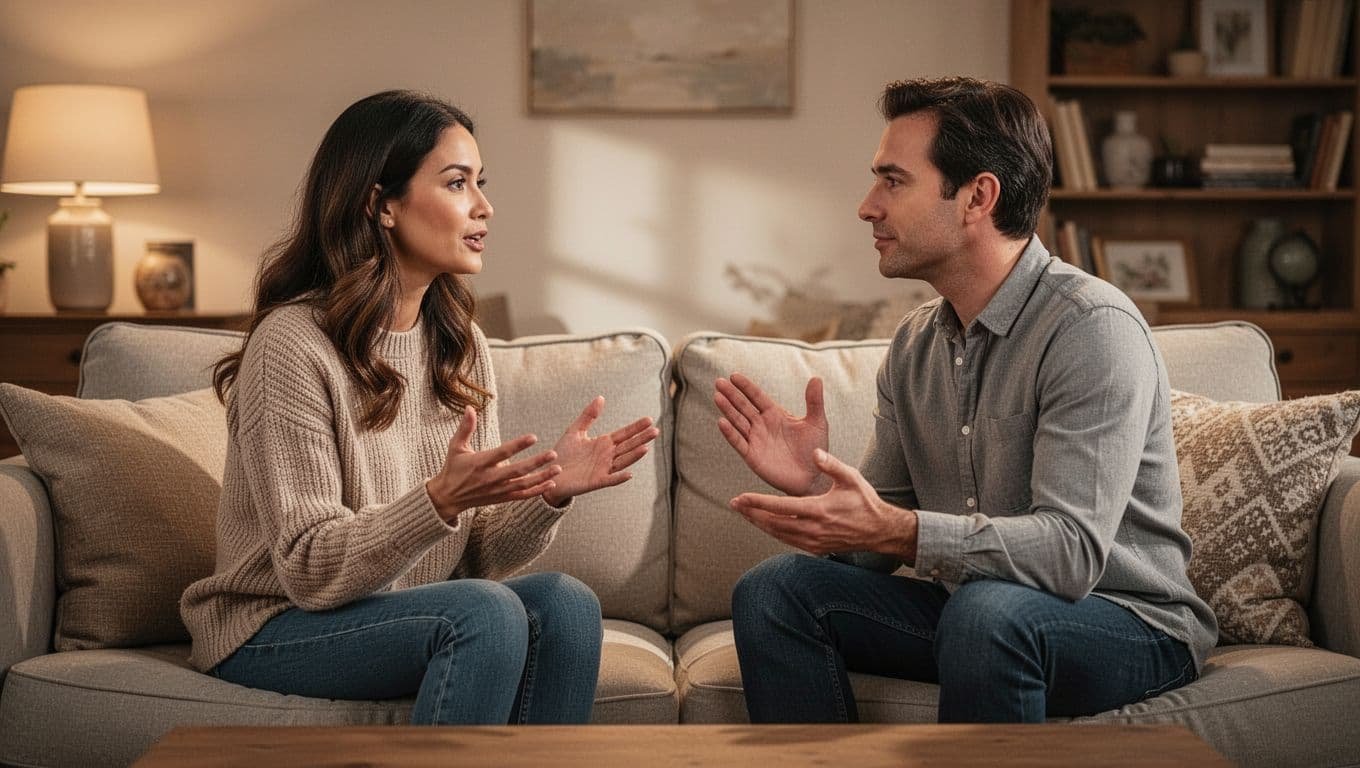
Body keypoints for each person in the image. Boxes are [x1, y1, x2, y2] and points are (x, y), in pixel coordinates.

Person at [715, 77, 1217, 724]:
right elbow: (872, 546)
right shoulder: (914, 345)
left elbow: (1070, 555)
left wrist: (902, 532)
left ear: (978, 197)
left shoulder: (1091, 327)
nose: (867, 206)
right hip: (978, 611)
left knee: (986, 613)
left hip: (1127, 620)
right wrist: (818, 487)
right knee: (774, 591)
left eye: (893, 181)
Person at [181, 90, 659, 725]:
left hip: (400, 611)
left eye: (480, 183)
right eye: (457, 183)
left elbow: (475, 557)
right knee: (485, 613)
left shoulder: (459, 343)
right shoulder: (292, 345)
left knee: (566, 605)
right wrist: (436, 501)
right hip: (273, 623)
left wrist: (547, 492)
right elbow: (308, 568)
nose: (484, 206)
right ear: (382, 204)